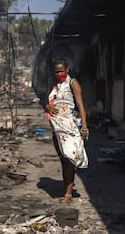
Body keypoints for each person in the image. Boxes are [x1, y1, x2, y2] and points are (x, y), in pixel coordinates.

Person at [44, 58, 89, 204]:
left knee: (70, 160)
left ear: (67, 69)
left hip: (69, 128)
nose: (59, 74)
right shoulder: (55, 86)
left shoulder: (72, 83)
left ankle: (68, 194)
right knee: (64, 160)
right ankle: (67, 189)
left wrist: (84, 126)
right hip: (56, 130)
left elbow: (81, 105)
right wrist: (47, 107)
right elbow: (51, 103)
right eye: (56, 71)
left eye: (61, 71)